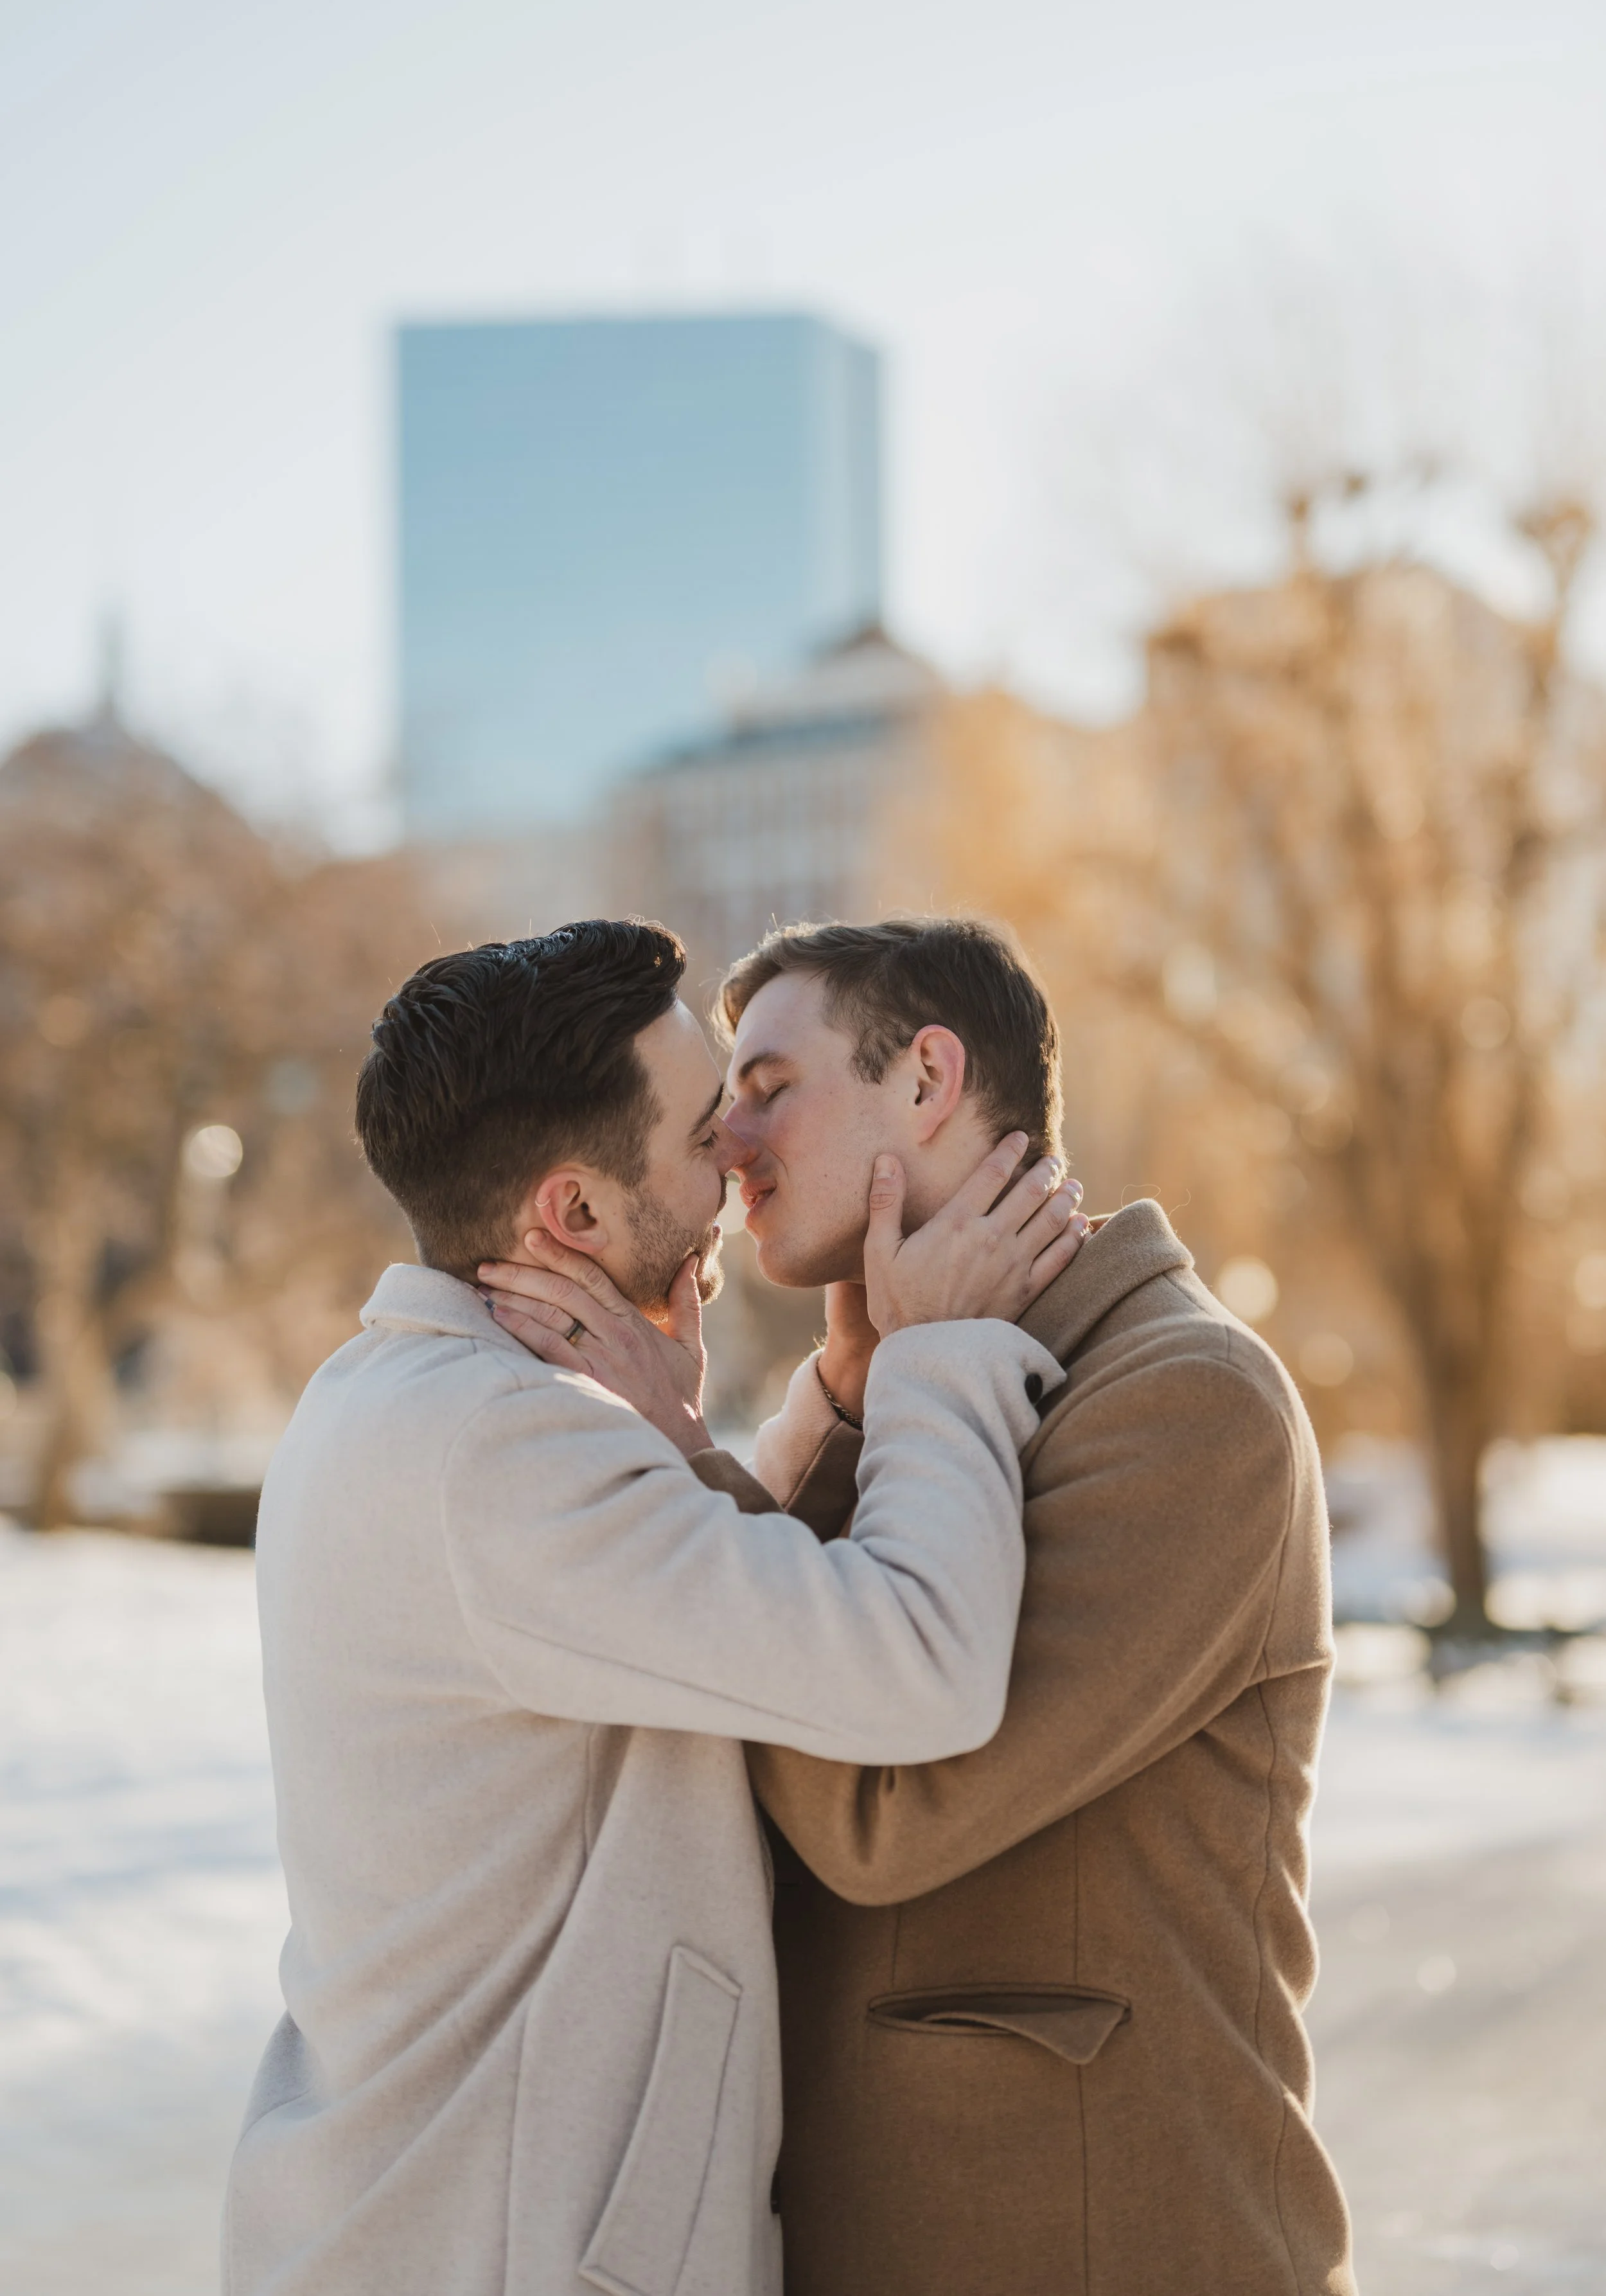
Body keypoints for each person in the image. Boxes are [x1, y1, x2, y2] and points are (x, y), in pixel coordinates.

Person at [494, 916, 1355, 2296]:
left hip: (1097, 2246)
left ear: (929, 1079)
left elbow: (884, 1812)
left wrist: (689, 1463)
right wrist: (846, 1410)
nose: (728, 1143)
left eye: (769, 1088)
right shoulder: (896, 1381)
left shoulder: (1188, 1402)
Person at [223, 919, 1083, 2296]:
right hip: (504, 2251)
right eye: (701, 1131)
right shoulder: (500, 1453)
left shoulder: (395, 1399)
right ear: (571, 1215)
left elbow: (701, 1611)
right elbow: (917, 1661)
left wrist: (804, 1408)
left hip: (437, 2225)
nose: (741, 1153)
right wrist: (942, 1357)